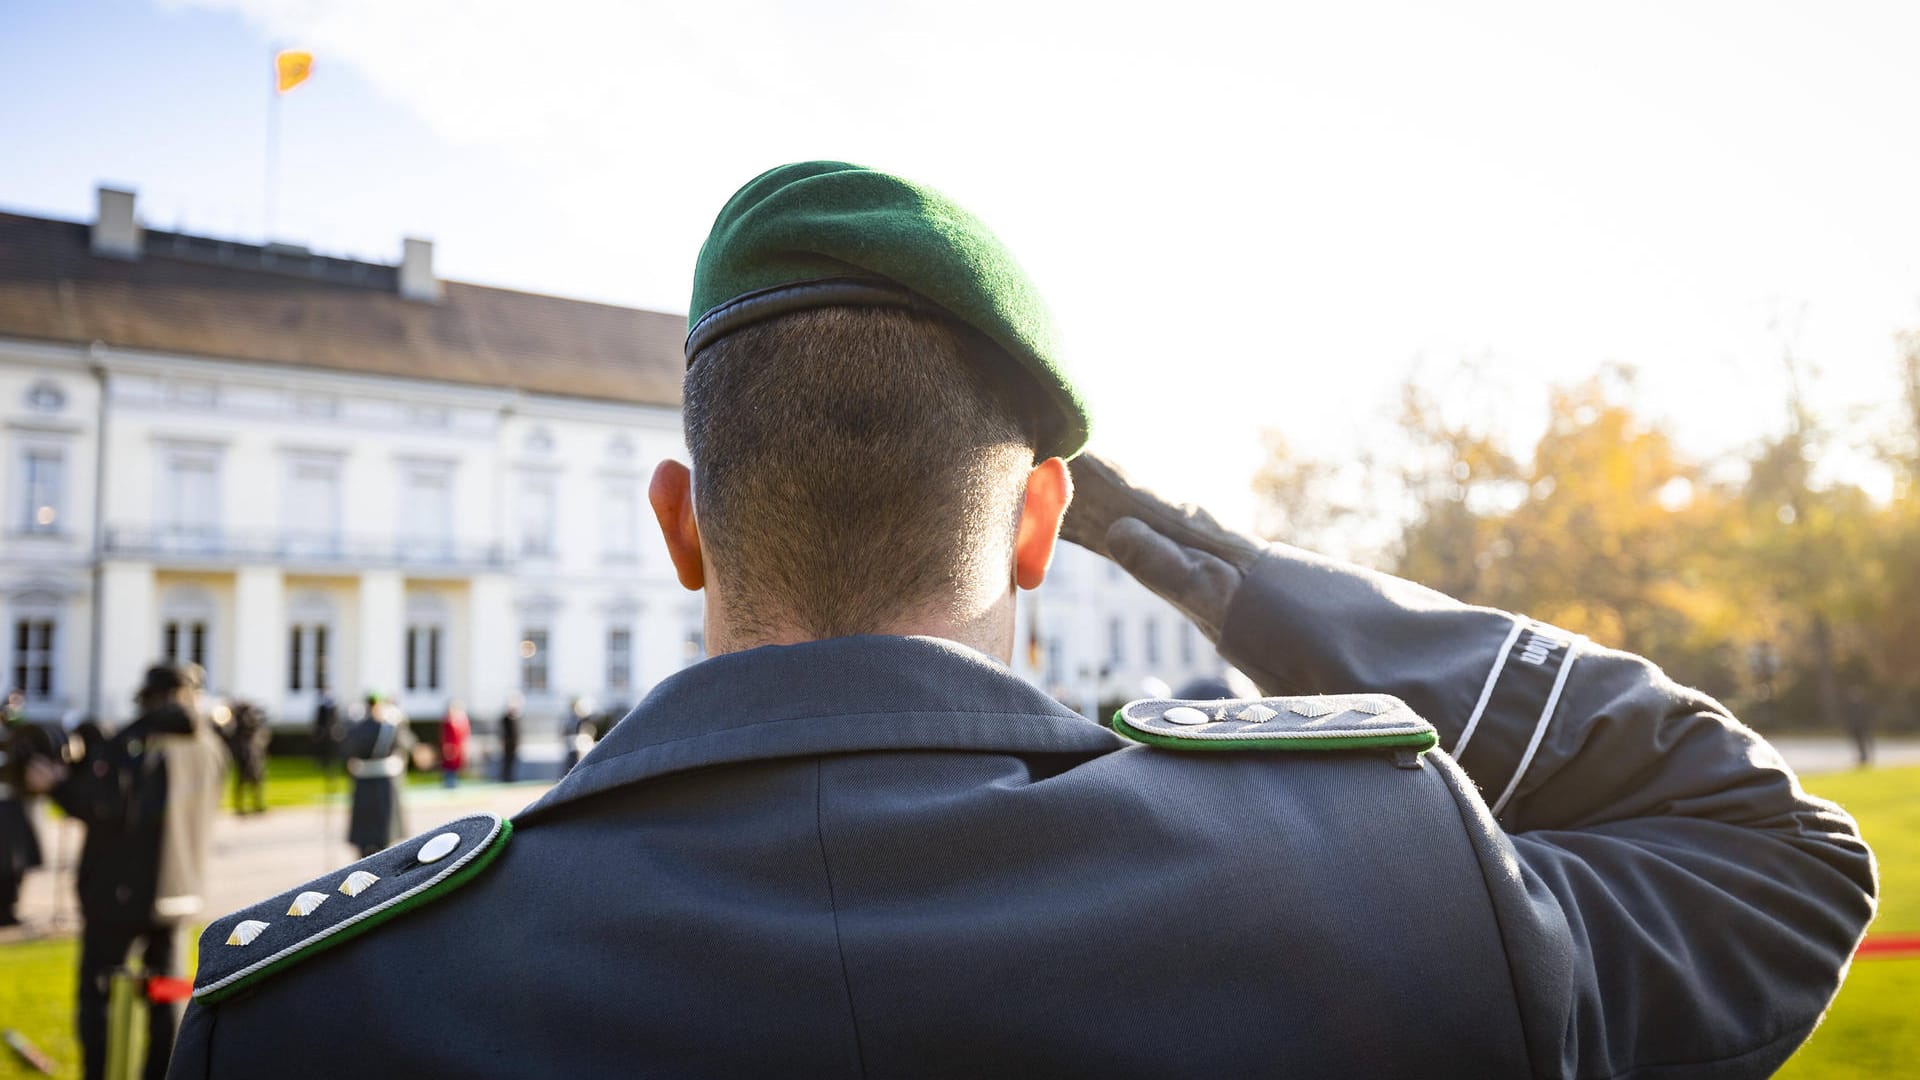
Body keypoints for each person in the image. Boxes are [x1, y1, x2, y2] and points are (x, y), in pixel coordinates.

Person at [170, 162, 1874, 1078]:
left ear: (681, 530)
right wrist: (1200, 554)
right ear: (1047, 520)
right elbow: (1772, 857)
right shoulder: (1377, 893)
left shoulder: (318, 1017)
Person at [29, 663, 225, 1080]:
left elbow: (103, 805)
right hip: (180, 890)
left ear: (149, 697)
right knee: (168, 996)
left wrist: (58, 785)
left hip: (117, 894)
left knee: (102, 996)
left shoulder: (138, 740)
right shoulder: (211, 745)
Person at [0, 688, 54, 926]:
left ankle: (10, 908)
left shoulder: (24, 738)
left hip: (17, 806)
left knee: (18, 862)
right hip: (4, 806)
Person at [340, 693, 411, 859]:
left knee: (366, 831)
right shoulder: (390, 728)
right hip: (383, 784)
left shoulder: (356, 728)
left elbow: (346, 753)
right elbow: (404, 745)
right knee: (383, 832)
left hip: (363, 783)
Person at [219, 701, 270, 815]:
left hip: (252, 754)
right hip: (244, 754)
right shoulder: (239, 724)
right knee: (243, 781)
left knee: (255, 779)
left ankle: (256, 804)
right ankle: (241, 806)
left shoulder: (250, 724)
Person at [438, 700, 470, 789]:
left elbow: (462, 735)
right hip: (450, 747)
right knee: (449, 766)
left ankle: (452, 783)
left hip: (456, 747)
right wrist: (446, 747)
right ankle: (449, 783)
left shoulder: (458, 721)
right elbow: (445, 735)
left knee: (455, 766)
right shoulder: (448, 721)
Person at [496, 693, 521, 783]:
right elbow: (502, 732)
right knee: (506, 762)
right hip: (507, 744)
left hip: (514, 744)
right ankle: (505, 778)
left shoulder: (517, 717)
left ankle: (511, 778)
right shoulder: (505, 718)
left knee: (513, 762)